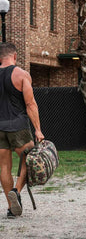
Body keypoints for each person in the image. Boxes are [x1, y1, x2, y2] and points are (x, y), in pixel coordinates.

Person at [0, 42, 44, 218]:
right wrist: (38, 129)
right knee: (31, 159)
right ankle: (16, 191)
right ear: (15, 56)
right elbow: (30, 104)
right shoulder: (21, 75)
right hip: (18, 126)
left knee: (4, 166)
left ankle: (12, 208)